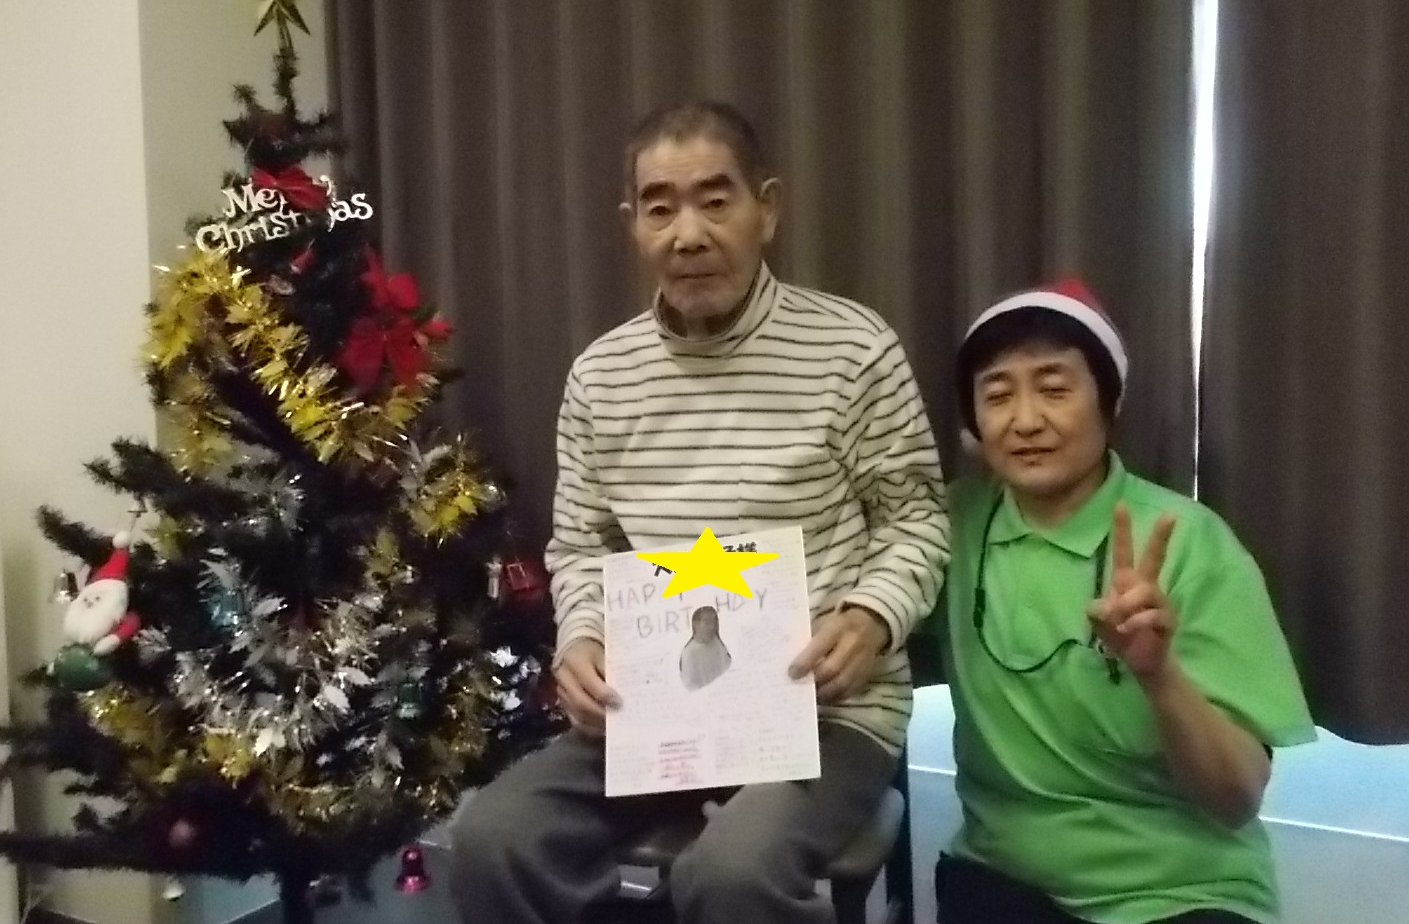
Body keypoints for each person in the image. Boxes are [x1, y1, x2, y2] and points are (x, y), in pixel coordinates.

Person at [450, 100, 949, 924]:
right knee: (492, 837)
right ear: (632, 224)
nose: (687, 234)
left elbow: (916, 518)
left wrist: (870, 615)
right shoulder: (601, 376)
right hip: (658, 712)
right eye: (660, 208)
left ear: (767, 208)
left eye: (716, 201)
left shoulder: (853, 349)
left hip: (825, 714)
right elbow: (582, 543)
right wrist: (581, 640)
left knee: (731, 873)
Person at [930, 280, 1317, 924]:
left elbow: (1237, 798)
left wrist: (1159, 675)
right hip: (1002, 874)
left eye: (1055, 389)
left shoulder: (1190, 543)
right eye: (997, 395)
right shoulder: (950, 525)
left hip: (1181, 890)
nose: (1026, 420)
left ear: (1109, 404)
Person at [679, 606, 732, 691]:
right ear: (696, 624)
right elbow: (689, 685)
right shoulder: (690, 653)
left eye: (714, 623)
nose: (711, 626)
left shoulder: (719, 646)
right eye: (707, 623)